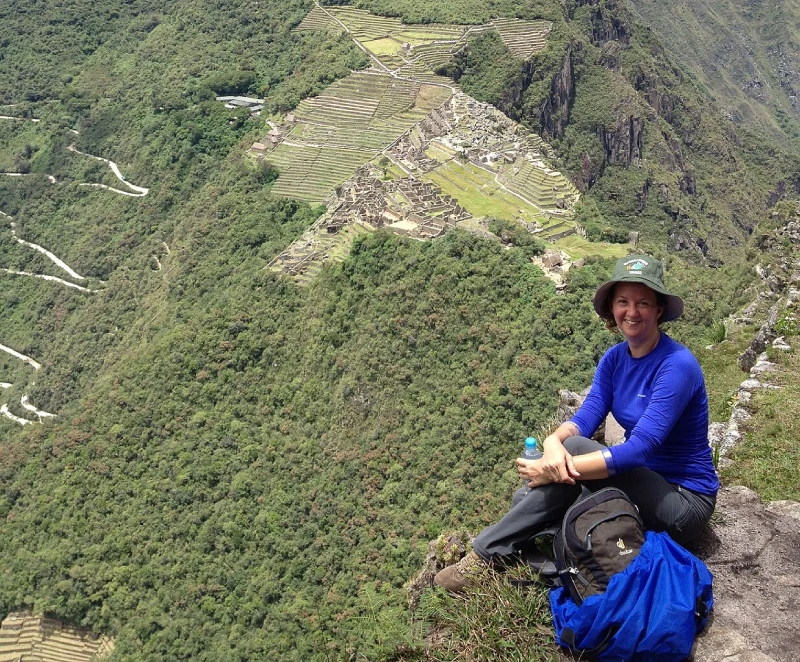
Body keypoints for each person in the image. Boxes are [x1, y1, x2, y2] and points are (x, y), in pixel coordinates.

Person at [435, 255, 718, 592]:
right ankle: (530, 553)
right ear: (612, 309)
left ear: (658, 310)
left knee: (561, 470)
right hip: (643, 485)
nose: (632, 311)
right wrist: (553, 445)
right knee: (527, 495)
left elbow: (641, 448)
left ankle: (483, 557)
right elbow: (585, 417)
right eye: (623, 302)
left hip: (682, 501)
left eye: (643, 302)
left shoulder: (676, 365)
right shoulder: (615, 360)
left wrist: (552, 468)